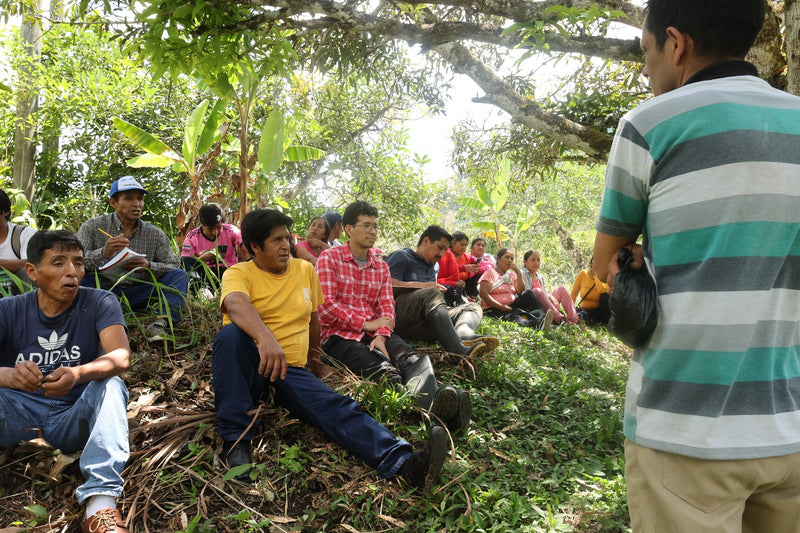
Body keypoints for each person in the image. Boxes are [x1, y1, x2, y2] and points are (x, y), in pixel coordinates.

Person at [592, 1, 800, 530]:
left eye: (645, 50)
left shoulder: (649, 125)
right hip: (791, 429)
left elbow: (603, 263)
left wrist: (639, 260)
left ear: (676, 44)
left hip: (683, 428)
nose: (645, 68)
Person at [212, 208, 448, 490]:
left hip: (289, 370)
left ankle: (405, 463)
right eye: (276, 240)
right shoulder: (238, 273)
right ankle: (236, 439)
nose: (286, 246)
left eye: (287, 238)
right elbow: (237, 304)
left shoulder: (304, 270)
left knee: (337, 407)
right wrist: (265, 338)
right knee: (230, 336)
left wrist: (314, 363)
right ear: (253, 246)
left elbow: (313, 319)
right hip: (250, 367)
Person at [0, 230, 131, 533]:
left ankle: (100, 505)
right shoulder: (8, 309)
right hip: (15, 414)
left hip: (72, 416)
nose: (72, 273)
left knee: (111, 385)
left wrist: (78, 374)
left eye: (78, 263)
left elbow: (121, 357)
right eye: (58, 263)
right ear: (32, 271)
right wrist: (9, 375)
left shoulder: (100, 302)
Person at [317, 201, 471, 434]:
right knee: (385, 372)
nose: (373, 231)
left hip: (377, 332)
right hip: (339, 337)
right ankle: (441, 419)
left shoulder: (380, 267)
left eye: (375, 226)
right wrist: (366, 323)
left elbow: (387, 307)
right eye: (366, 225)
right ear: (348, 229)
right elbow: (325, 307)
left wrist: (381, 334)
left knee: (411, 359)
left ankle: (438, 413)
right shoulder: (329, 259)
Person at [77, 176, 189, 341]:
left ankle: (161, 323)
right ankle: (83, 320)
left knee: (180, 276)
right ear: (113, 203)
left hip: (141, 292)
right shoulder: (93, 227)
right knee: (77, 276)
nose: (137, 204)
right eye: (129, 198)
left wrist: (149, 266)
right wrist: (104, 252)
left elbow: (174, 264)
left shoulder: (154, 233)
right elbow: (74, 262)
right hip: (104, 291)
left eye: (140, 199)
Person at [385, 225, 498, 356]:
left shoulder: (435, 266)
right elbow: (387, 286)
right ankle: (457, 349)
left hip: (425, 324)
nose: (441, 254)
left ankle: (464, 333)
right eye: (439, 248)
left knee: (472, 307)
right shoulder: (402, 256)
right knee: (432, 292)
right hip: (399, 318)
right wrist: (425, 286)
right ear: (426, 241)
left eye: (445, 250)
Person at [478, 248, 554, 330]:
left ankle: (543, 318)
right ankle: (537, 323)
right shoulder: (490, 273)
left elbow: (521, 291)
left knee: (528, 293)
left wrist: (518, 273)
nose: (509, 260)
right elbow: (483, 294)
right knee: (514, 317)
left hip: (510, 307)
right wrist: (500, 306)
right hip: (493, 308)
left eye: (511, 258)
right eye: (507, 257)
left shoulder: (511, 275)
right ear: (498, 259)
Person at [181, 203, 242, 294]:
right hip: (204, 275)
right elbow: (187, 264)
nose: (215, 232)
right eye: (210, 229)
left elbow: (244, 244)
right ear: (202, 224)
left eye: (218, 228)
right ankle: (201, 291)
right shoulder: (192, 236)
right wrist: (204, 258)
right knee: (185, 260)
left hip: (229, 272)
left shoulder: (231, 230)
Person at [521, 250, 579, 325]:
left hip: (546, 304)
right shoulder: (522, 273)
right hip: (534, 305)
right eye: (533, 260)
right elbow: (528, 292)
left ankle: (575, 319)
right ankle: (561, 320)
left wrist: (550, 296)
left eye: (538, 260)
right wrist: (550, 297)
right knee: (537, 291)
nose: (536, 263)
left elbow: (545, 291)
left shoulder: (540, 277)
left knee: (561, 289)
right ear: (525, 262)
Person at [0, 188, 37, 294]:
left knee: (29, 272)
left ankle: (32, 309)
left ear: (6, 212)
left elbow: (34, 264)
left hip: (17, 295)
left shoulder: (24, 234)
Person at [570, 256, 610, 325]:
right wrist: (570, 311)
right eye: (596, 261)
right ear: (591, 263)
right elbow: (573, 294)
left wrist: (596, 276)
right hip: (585, 310)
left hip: (599, 311)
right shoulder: (583, 274)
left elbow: (603, 290)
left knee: (604, 296)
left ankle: (609, 321)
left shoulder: (604, 277)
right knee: (582, 315)